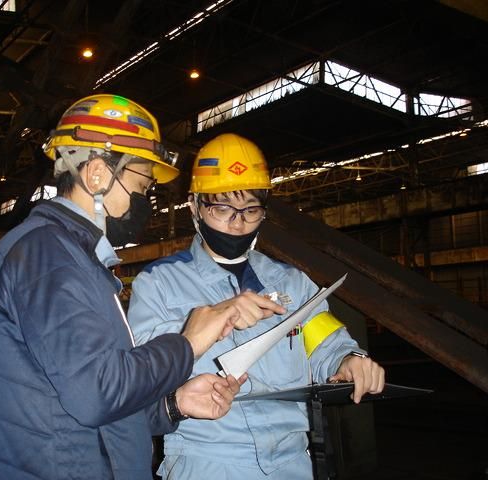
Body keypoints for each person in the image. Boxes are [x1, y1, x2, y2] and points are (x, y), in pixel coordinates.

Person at [0, 96, 278, 480]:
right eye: (141, 184)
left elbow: (94, 392)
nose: (145, 200)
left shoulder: (74, 258)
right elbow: (95, 394)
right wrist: (188, 344)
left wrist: (174, 404)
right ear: (98, 174)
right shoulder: (47, 255)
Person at [127, 133, 386, 479]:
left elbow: (324, 340)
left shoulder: (291, 282)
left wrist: (348, 359)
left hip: (291, 464)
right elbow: (144, 374)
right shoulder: (159, 283)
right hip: (207, 463)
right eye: (222, 209)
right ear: (194, 207)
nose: (237, 223)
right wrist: (217, 319)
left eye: (250, 210)